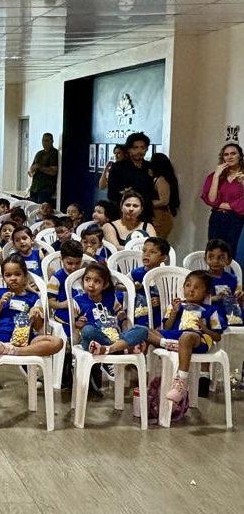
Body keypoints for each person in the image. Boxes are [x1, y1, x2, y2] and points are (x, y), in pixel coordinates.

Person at [0, 255, 63, 397]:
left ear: (25, 276)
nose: (13, 278)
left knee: (57, 342)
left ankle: (14, 351)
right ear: (4, 277)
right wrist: (0, 303)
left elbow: (38, 327)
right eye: (8, 275)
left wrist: (35, 316)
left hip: (27, 336)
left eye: (17, 274)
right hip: (2, 334)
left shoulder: (34, 298)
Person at [145, 270, 223, 403]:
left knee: (186, 337)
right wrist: (174, 312)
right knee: (144, 331)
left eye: (197, 287)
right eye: (188, 285)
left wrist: (204, 328)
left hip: (198, 338)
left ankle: (180, 382)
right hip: (175, 335)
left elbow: (217, 336)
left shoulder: (211, 311)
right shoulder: (176, 306)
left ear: (206, 293)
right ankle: (172, 345)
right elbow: (167, 327)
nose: (191, 290)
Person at [72, 262, 148, 355]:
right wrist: (77, 323)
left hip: (115, 336)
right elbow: (71, 323)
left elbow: (120, 317)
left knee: (143, 330)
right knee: (87, 330)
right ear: (82, 281)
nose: (91, 284)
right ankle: (120, 348)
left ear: (105, 285)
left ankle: (109, 349)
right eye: (87, 280)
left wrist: (121, 317)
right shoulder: (77, 301)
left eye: (97, 282)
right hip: (94, 340)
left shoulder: (110, 298)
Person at [202, 143, 244, 259]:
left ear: (240, 156)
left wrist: (230, 205)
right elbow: (211, 199)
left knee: (233, 254)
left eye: (233, 153)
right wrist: (216, 176)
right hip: (217, 219)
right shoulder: (214, 176)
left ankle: (234, 276)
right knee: (214, 252)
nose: (229, 157)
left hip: (237, 219)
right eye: (226, 155)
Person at [106, 132, 155, 222]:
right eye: (135, 148)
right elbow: (111, 195)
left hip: (145, 215)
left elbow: (153, 192)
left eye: (143, 148)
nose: (139, 151)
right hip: (123, 215)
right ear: (129, 149)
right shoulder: (118, 167)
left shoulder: (150, 166)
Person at [150, 153, 180, 239]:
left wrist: (147, 203)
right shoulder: (158, 179)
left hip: (160, 216)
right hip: (157, 216)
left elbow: (164, 200)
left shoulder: (161, 180)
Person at [27, 133, 59, 205]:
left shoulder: (54, 153)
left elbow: (53, 171)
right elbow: (32, 167)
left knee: (41, 208)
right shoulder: (39, 153)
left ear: (52, 141)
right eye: (43, 141)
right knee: (31, 207)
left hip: (46, 188)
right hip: (35, 187)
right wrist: (31, 171)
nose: (44, 143)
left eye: (47, 140)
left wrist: (39, 167)